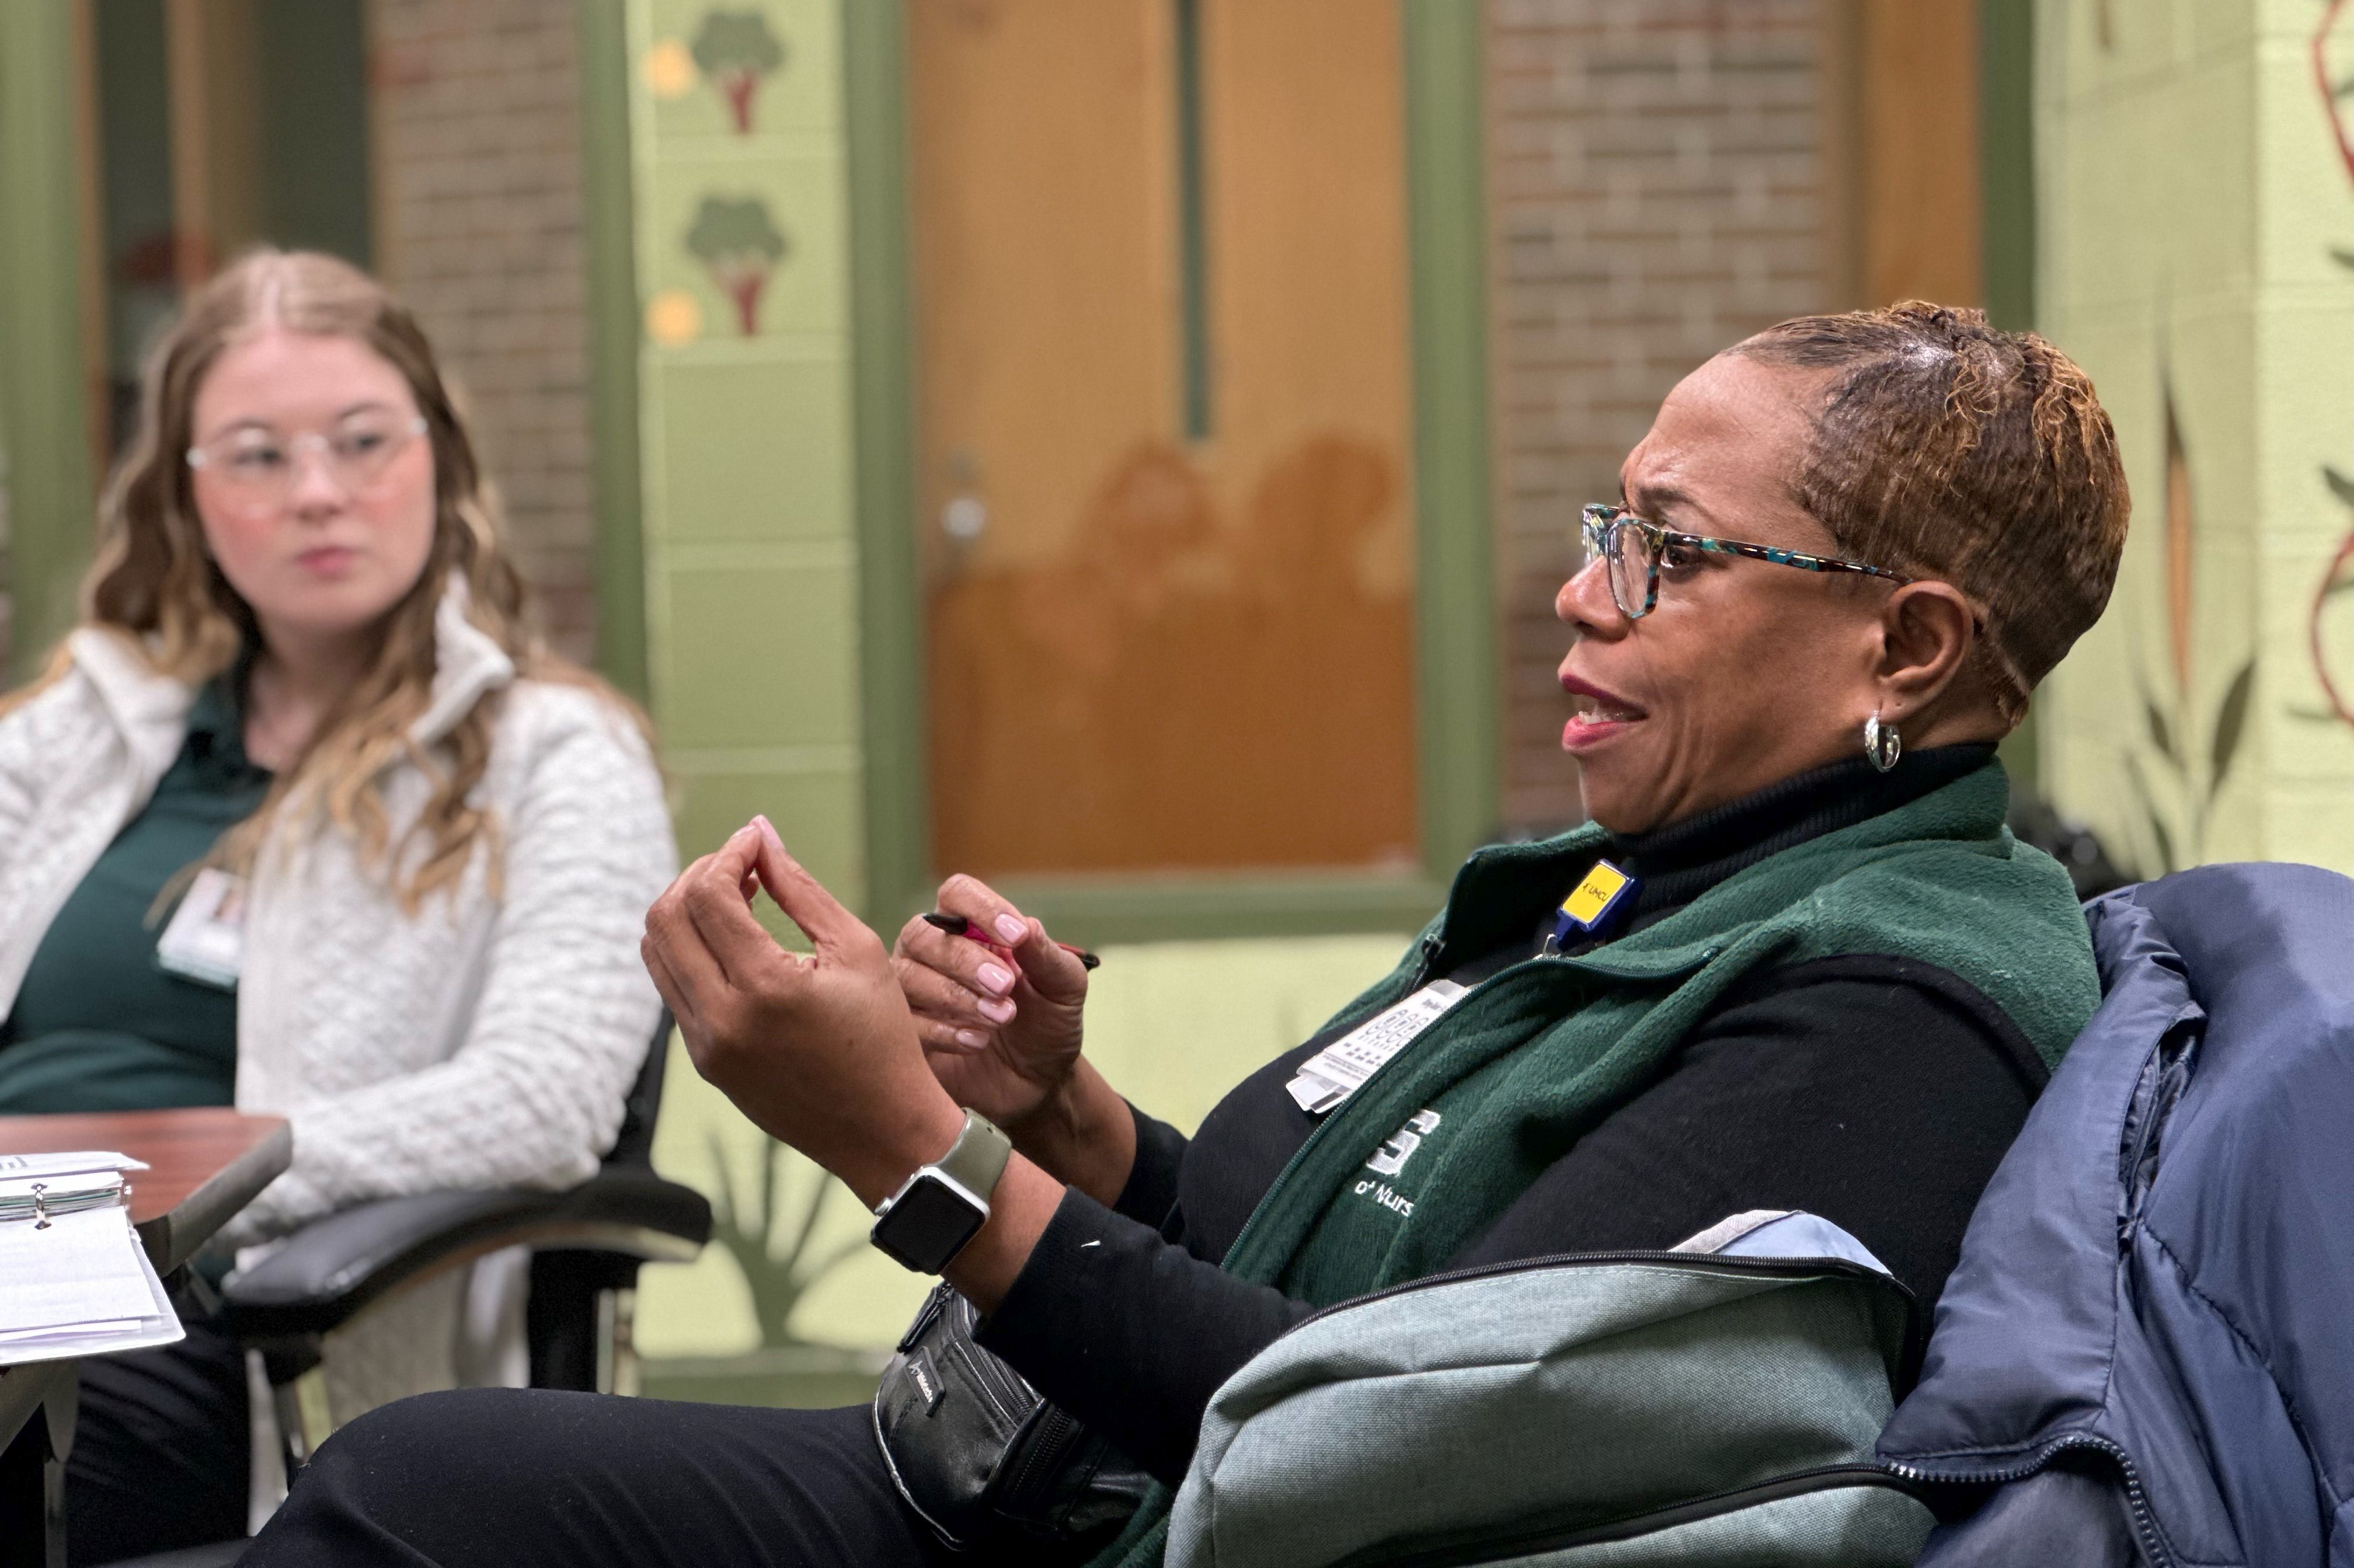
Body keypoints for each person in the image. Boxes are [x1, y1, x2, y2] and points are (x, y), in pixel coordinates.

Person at [245, 302, 2131, 1568]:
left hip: (1128, 1525)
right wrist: (1065, 1121)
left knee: (403, 1496)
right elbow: (1358, 1262)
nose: (1580, 589)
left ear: (1906, 647)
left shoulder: (1887, 999)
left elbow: (1390, 1432)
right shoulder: (1664, 870)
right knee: (401, 1476)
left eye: (1670, 547)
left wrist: (911, 1150)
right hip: (1024, 1466)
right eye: (1601, 524)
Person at [0, 251, 674, 1563]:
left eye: (362, 442)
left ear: (438, 457)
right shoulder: (76, 734)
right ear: (186, 500)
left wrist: (167, 1189)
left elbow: (544, 1101)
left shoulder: (551, 755)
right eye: (255, 457)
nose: (317, 492)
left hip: (204, 1314)